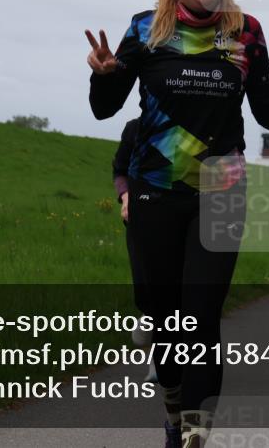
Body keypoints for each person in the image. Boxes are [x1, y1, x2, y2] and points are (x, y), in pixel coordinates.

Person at [87, 0, 269, 448]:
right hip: (154, 187)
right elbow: (106, 108)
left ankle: (194, 434)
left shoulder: (246, 31)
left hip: (223, 187)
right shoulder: (146, 29)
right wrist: (105, 76)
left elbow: (262, 106)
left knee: (201, 317)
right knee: (162, 318)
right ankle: (172, 404)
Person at [112, 118, 159, 384]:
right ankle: (149, 332)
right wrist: (126, 198)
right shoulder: (135, 128)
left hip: (188, 221)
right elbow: (120, 170)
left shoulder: (200, 126)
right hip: (142, 220)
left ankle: (167, 361)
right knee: (148, 292)